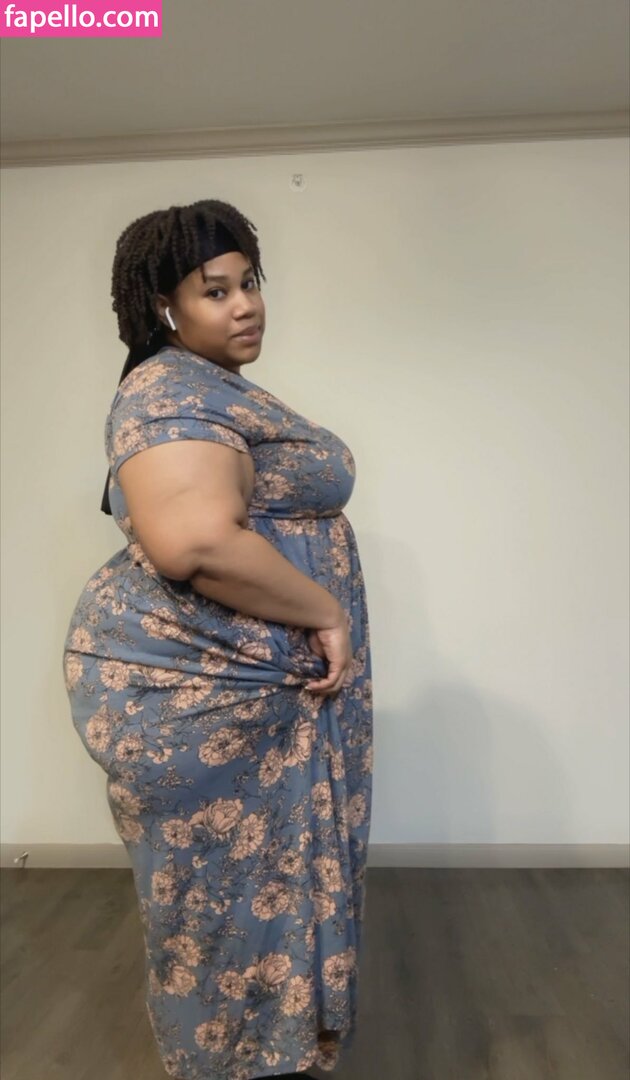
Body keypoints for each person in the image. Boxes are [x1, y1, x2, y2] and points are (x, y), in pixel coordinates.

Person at [62, 198, 373, 1080]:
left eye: (249, 283)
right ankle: (235, 1061)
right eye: (215, 291)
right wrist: (327, 612)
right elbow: (194, 542)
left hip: (251, 687)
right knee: (224, 907)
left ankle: (275, 1051)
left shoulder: (205, 386)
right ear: (164, 306)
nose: (246, 306)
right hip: (209, 694)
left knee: (249, 898)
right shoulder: (168, 392)